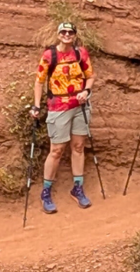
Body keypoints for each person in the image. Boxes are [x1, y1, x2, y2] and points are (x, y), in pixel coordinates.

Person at [35, 21, 95, 214]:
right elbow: (39, 81)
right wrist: (36, 105)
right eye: (64, 32)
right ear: (58, 34)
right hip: (58, 106)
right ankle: (46, 192)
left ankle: (77, 188)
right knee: (57, 150)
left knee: (78, 146)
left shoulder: (80, 53)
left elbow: (91, 76)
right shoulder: (49, 55)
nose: (67, 35)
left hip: (79, 105)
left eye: (70, 32)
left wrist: (86, 91)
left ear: (75, 35)